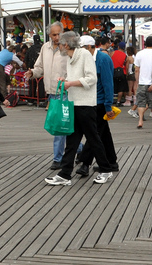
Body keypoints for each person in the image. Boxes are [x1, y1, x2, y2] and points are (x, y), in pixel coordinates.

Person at [44, 31, 113, 186]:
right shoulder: (70, 57)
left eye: (60, 43)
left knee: (93, 138)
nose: (58, 46)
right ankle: (65, 174)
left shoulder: (84, 55)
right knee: (72, 140)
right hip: (74, 102)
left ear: (66, 44)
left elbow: (92, 78)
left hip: (86, 104)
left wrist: (70, 83)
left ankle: (105, 169)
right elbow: (78, 78)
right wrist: (66, 80)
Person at [77, 36, 120, 177]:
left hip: (100, 102)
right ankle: (111, 161)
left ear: (89, 47)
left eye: (82, 48)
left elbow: (108, 84)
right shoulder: (87, 59)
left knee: (93, 133)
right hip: (90, 100)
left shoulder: (103, 59)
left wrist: (108, 106)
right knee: (102, 133)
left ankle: (85, 163)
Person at [28, 24, 68, 167]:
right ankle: (79, 149)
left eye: (59, 34)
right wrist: (32, 73)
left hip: (65, 92)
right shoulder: (45, 47)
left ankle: (58, 158)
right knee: (63, 126)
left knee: (59, 126)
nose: (57, 37)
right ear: (49, 35)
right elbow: (40, 67)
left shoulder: (68, 47)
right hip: (51, 92)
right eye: (54, 35)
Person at [134, 36, 152, 129]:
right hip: (151, 83)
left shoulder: (139, 53)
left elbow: (136, 70)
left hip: (142, 82)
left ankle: (140, 121)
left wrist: (137, 82)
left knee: (141, 103)